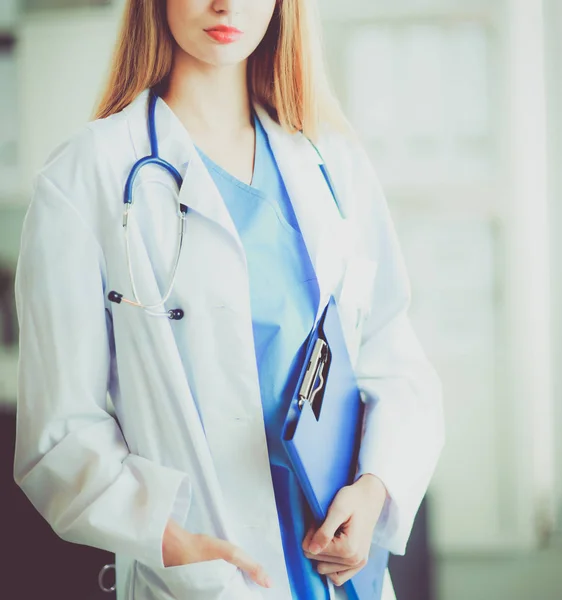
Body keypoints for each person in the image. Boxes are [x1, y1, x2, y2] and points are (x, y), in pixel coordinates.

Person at [13, 1, 444, 599]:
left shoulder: (332, 162)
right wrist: (168, 540)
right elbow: (61, 433)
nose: (226, 4)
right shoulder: (90, 175)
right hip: (205, 570)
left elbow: (393, 357)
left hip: (337, 567)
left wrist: (375, 489)